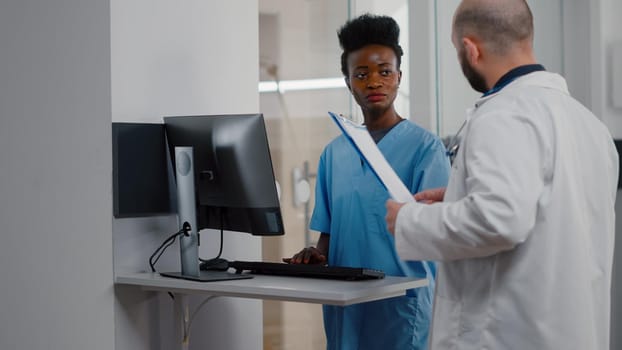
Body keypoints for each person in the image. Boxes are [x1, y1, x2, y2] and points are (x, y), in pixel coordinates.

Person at [385, 0, 619, 349]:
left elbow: (500, 219)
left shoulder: (502, 115)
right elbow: (545, 212)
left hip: (508, 335)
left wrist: (409, 220)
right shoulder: (590, 126)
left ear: (470, 49)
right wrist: (457, 199)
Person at [284, 14, 451, 350]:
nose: (374, 82)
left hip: (401, 308)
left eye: (384, 72)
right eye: (361, 74)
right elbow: (327, 239)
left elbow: (438, 235)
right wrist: (315, 256)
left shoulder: (425, 149)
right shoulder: (334, 155)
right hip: (347, 308)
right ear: (348, 82)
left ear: (398, 77)